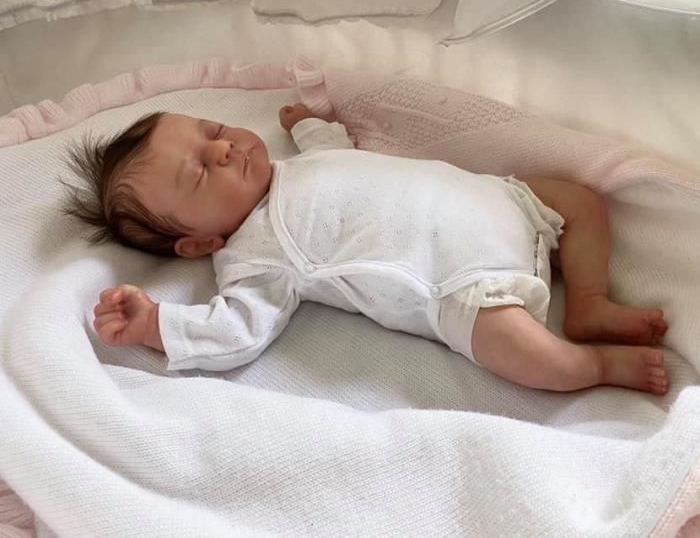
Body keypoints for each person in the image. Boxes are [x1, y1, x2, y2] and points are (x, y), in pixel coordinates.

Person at [64, 103, 669, 394]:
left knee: (581, 201)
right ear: (199, 241)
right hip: (461, 286)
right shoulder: (256, 252)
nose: (222, 149)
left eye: (214, 131)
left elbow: (338, 153)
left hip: (495, 203)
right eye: (200, 171)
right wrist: (158, 325)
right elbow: (238, 329)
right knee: (535, 360)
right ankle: (595, 365)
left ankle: (589, 300)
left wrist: (307, 123)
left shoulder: (301, 164)